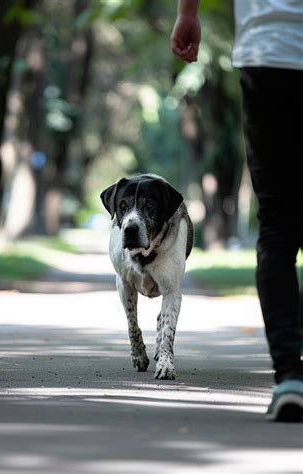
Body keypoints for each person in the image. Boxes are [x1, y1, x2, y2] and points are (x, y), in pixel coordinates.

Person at [171, 0, 303, 422]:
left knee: (278, 225)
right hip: (269, 52)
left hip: (267, 54)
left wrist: (187, 12)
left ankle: (289, 377)